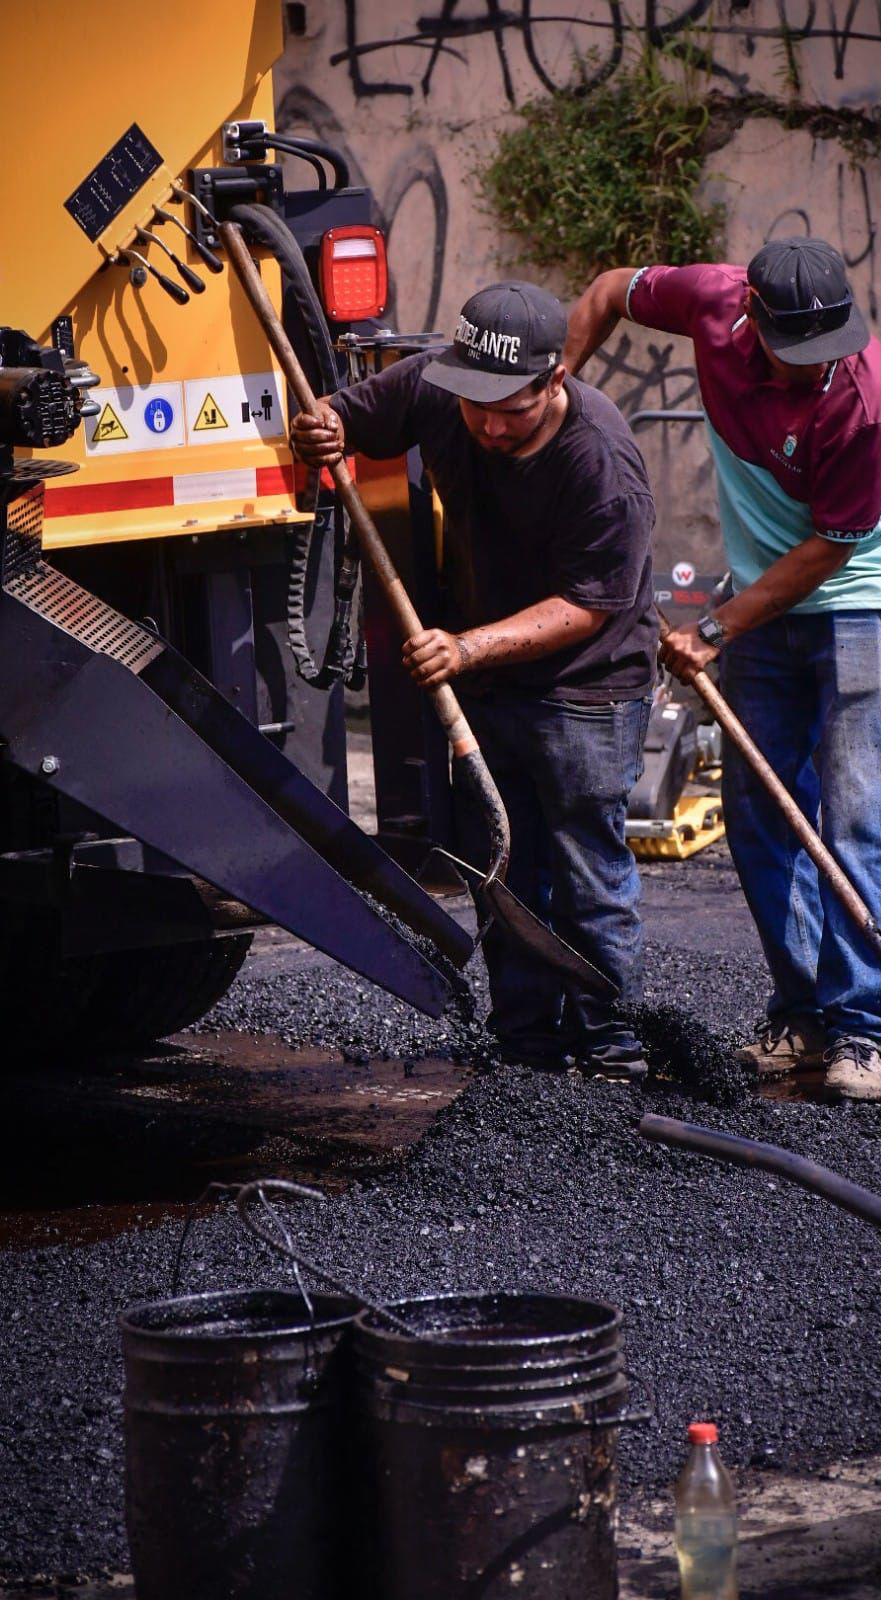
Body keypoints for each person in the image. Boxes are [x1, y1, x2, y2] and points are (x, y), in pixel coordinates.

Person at [565, 238, 881, 1101]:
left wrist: (717, 627)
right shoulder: (709, 301)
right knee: (760, 812)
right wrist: (558, 397)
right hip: (764, 598)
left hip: (863, 590)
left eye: (827, 351)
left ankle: (861, 1030)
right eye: (795, 354)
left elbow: (832, 548)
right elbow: (606, 290)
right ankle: (801, 1013)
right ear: (750, 323)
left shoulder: (867, 395)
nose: (816, 371)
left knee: (857, 816)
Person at [291, 281, 658, 1082]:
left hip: (585, 689)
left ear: (555, 380)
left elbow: (588, 606)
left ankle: (611, 1042)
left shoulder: (600, 460)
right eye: (476, 405)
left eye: (512, 409)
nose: (490, 424)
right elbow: (348, 412)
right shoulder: (436, 384)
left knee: (585, 873)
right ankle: (526, 1042)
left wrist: (464, 649)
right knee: (499, 867)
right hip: (488, 682)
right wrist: (323, 424)